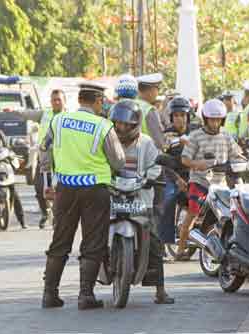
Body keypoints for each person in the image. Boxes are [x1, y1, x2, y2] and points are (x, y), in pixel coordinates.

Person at [40, 82, 126, 310]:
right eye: (102, 102)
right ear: (97, 101)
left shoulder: (58, 121)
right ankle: (85, 295)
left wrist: (49, 181)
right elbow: (118, 161)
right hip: (95, 190)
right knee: (93, 241)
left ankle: (50, 294)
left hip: (65, 189)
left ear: (79, 100)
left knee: (60, 240)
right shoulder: (103, 126)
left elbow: (44, 150)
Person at [109, 99, 175, 304]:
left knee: (154, 239)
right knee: (93, 234)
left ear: (134, 125)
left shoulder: (146, 143)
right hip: (112, 196)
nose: (121, 128)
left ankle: (160, 290)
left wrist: (150, 178)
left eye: (126, 124)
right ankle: (87, 288)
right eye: (118, 124)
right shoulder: (108, 140)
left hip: (141, 199)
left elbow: (156, 165)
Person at [176, 99, 243, 260]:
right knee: (192, 214)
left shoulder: (226, 136)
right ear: (205, 119)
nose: (215, 123)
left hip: (220, 185)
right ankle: (180, 249)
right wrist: (197, 164)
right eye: (212, 119)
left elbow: (237, 155)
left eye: (218, 119)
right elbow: (185, 159)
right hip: (200, 183)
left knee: (234, 214)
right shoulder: (196, 136)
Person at [6, 90, 67, 229]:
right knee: (40, 188)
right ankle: (45, 214)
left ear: (64, 101)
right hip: (44, 158)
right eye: (54, 100)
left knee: (63, 189)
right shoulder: (44, 114)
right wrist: (13, 110)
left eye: (59, 99)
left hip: (63, 159)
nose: (56, 102)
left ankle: (60, 215)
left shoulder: (70, 117)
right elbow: (27, 113)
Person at [159, 96, 191, 246]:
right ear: (172, 117)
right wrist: (177, 179)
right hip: (172, 176)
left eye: (183, 115)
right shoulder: (167, 134)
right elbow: (164, 162)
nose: (180, 119)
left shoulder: (196, 132)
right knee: (168, 200)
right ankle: (165, 241)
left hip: (194, 174)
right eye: (176, 116)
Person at [136, 73, 166, 149]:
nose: (157, 92)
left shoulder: (131, 104)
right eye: (157, 89)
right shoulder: (149, 110)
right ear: (150, 91)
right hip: (146, 155)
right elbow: (159, 142)